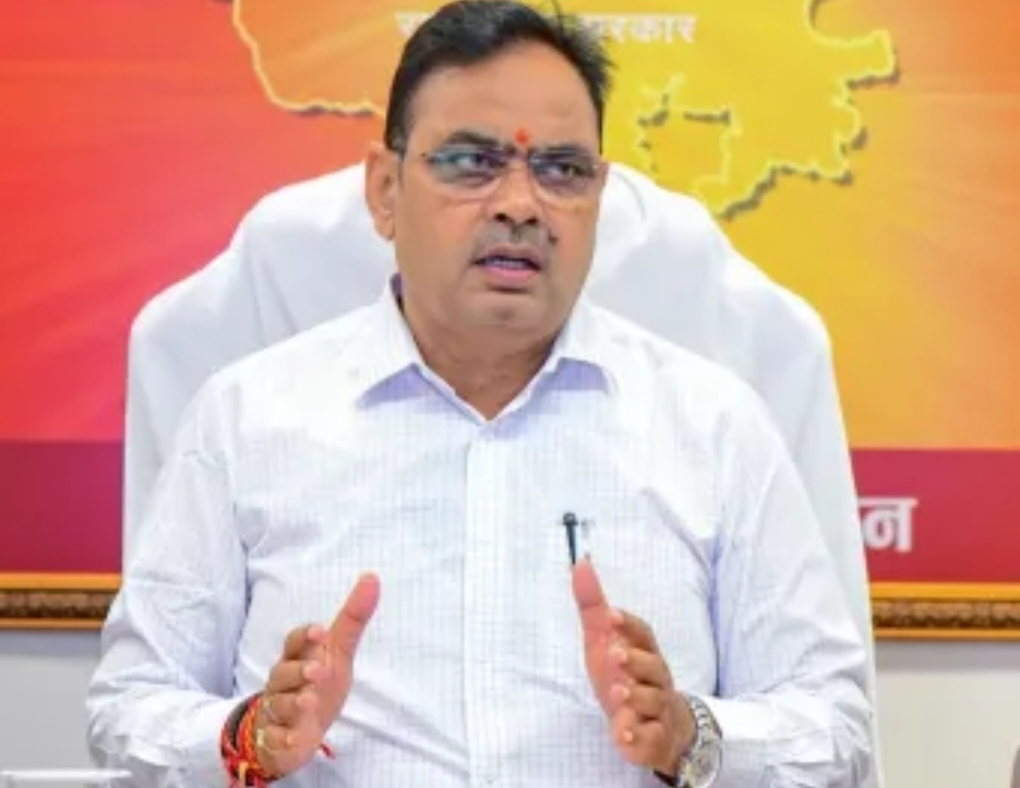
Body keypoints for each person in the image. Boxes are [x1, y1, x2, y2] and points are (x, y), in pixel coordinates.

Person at [88, 2, 873, 786]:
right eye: (471, 162)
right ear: (384, 190)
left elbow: (835, 728)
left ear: (599, 195)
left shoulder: (714, 428)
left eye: (562, 170)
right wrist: (246, 735)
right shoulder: (246, 420)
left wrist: (690, 734)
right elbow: (130, 709)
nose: (520, 205)